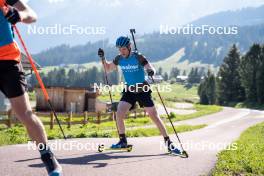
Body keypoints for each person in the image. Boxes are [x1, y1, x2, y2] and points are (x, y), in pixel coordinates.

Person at [0, 0, 62, 175]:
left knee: (25, 114)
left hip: (8, 62)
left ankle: (47, 156)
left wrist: (18, 15)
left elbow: (31, 15)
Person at [98, 36, 182, 155]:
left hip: (142, 90)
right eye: (119, 49)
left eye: (123, 49)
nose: (121, 52)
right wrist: (103, 58)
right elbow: (107, 68)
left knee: (154, 117)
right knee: (119, 113)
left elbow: (150, 67)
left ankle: (169, 143)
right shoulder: (119, 59)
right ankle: (123, 141)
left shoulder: (138, 56)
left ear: (129, 47)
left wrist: (150, 71)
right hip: (129, 91)